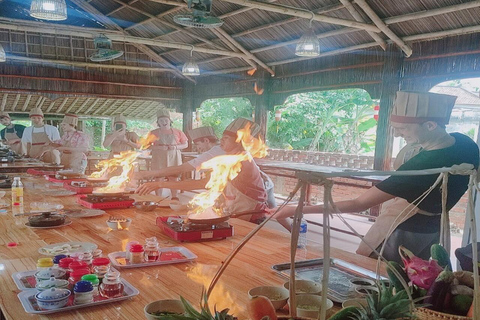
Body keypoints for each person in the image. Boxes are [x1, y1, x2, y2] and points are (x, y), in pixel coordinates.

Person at [273, 91, 479, 263]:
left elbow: (357, 203)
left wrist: (298, 209)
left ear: (431, 125)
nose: (398, 135)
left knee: (374, 273)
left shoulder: (421, 166)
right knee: (420, 277)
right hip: (435, 228)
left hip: (402, 231)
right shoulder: (465, 143)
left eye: (403, 129)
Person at [137, 118, 268, 224]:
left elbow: (203, 183)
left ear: (239, 142)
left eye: (226, 138)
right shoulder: (230, 157)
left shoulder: (239, 161)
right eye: (222, 137)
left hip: (250, 214)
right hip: (237, 208)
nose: (221, 140)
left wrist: (160, 183)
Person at [135, 126, 222, 187]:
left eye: (198, 145)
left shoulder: (215, 151)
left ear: (206, 140)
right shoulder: (218, 149)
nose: (198, 149)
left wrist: (149, 174)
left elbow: (182, 168)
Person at [147, 108, 188, 199]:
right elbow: (146, 146)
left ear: (170, 121)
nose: (164, 122)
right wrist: (158, 147)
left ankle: (174, 197)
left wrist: (175, 147)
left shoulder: (178, 132)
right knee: (158, 178)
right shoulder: (153, 133)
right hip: (158, 158)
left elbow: (185, 144)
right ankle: (158, 197)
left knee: (173, 178)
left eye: (166, 120)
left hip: (174, 157)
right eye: (161, 120)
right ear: (158, 122)